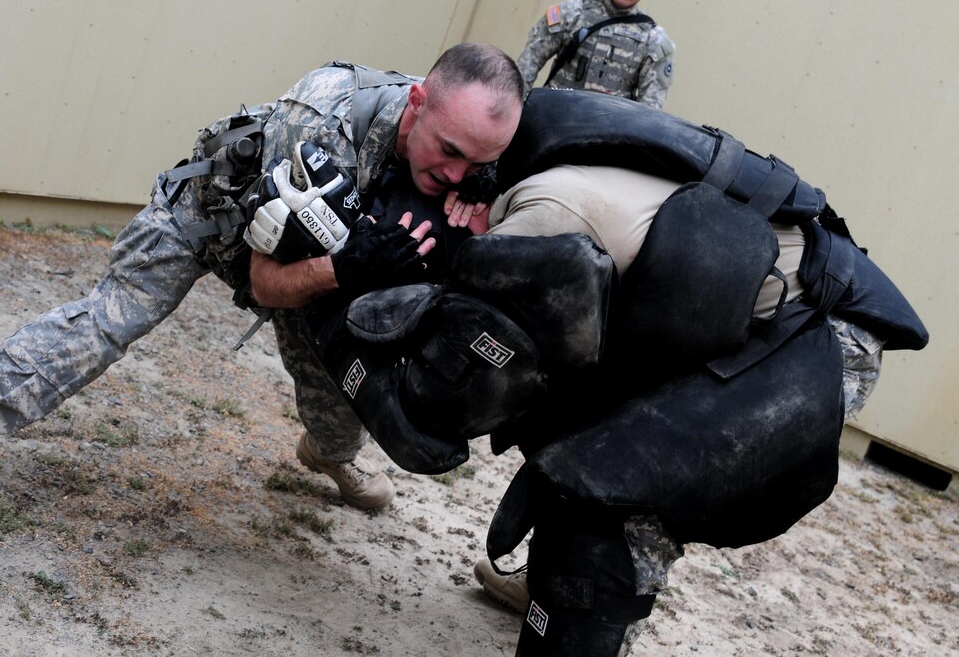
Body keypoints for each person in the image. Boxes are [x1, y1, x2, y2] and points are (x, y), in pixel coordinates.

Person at [300, 87, 928, 655]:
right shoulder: (532, 149)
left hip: (814, 333)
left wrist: (353, 317)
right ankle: (544, 586)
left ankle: (579, 610)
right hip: (717, 308)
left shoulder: (540, 220)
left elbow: (439, 413)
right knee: (565, 408)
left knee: (609, 508)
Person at [0, 43, 525, 516]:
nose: (458, 172)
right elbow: (267, 283)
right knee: (106, 321)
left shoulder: (466, 143)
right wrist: (353, 266)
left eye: (481, 161)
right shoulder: (322, 117)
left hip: (323, 252)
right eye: (449, 151)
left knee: (345, 384)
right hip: (212, 219)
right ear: (417, 103)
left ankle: (327, 453)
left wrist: (482, 198)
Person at [516, 0, 674, 109]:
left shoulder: (653, 41)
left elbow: (651, 111)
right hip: (554, 121)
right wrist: (516, 115)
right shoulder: (571, 13)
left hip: (606, 133)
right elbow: (527, 65)